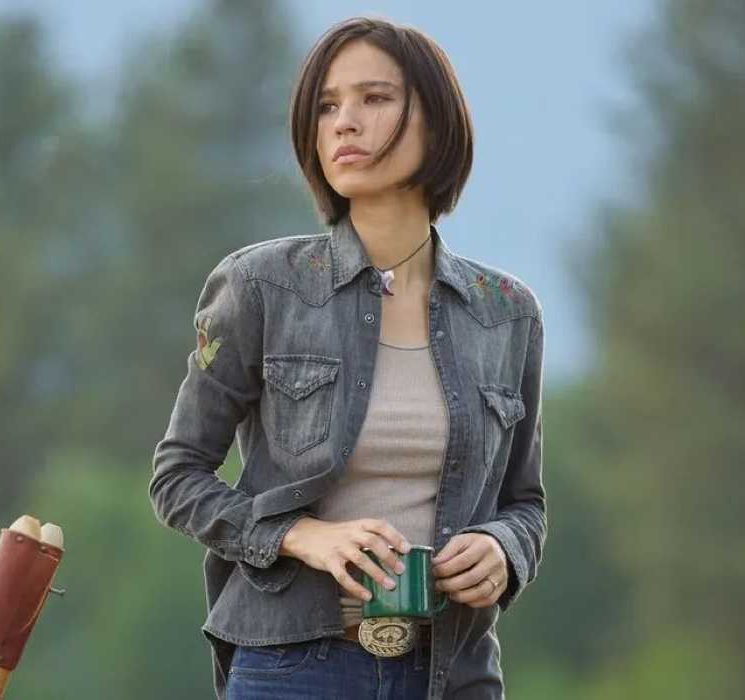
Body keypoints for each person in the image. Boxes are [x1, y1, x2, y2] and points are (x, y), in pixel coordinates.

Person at [150, 15, 546, 700]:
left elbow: (525, 505)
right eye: (327, 105)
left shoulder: (506, 312)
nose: (345, 123)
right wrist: (302, 536)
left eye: (375, 98)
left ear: (439, 122)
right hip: (293, 670)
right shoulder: (261, 286)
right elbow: (177, 478)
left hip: (453, 674)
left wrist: (504, 553)